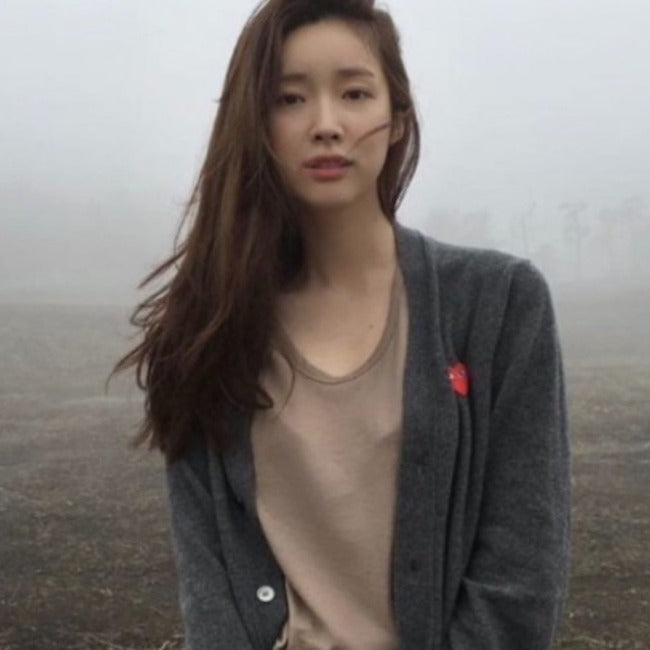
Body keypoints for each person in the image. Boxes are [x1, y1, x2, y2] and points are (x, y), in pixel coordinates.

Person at [113, 0, 570, 648]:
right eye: (290, 99)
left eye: (355, 93)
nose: (326, 125)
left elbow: (520, 580)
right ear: (255, 124)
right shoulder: (206, 331)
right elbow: (208, 595)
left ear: (397, 117)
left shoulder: (501, 306)